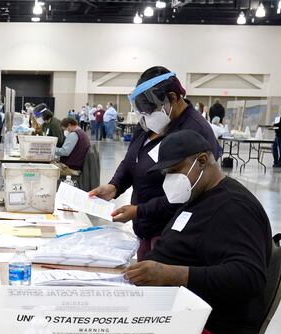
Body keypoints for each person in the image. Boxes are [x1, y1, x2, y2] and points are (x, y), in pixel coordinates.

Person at [81, 129, 272, 334]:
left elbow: (249, 277)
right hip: (183, 306)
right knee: (105, 317)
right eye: (166, 173)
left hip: (215, 325)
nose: (171, 179)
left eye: (175, 170)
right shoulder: (199, 198)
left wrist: (173, 274)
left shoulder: (234, 208)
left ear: (203, 161)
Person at [88, 66, 221, 260]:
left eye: (151, 110)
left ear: (173, 98)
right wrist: (114, 186)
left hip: (172, 234)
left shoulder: (196, 132)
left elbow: (187, 193)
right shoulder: (149, 124)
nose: (147, 116)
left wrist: (139, 211)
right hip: (146, 227)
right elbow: (131, 159)